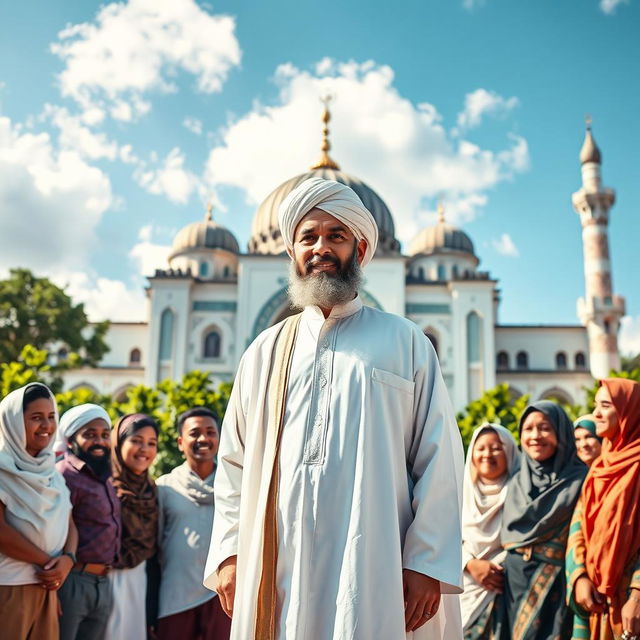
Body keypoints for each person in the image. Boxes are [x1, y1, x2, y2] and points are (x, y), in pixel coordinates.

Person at [204, 177, 465, 640]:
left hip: (376, 560)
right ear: (292, 253)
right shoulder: (264, 351)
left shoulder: (404, 341)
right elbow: (233, 462)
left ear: (360, 250)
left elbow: (439, 455)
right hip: (279, 559)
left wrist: (426, 561)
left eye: (335, 236)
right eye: (308, 237)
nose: (320, 247)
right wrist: (228, 553)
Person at [499, 401, 587, 640]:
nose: (535, 436)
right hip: (511, 587)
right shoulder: (514, 482)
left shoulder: (583, 479)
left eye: (545, 428)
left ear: (562, 432)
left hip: (558, 589)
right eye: (528, 429)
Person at [0, 383, 77, 640]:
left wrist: (68, 559)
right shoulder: (2, 470)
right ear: (13, 423)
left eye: (51, 417)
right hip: (10, 588)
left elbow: (70, 523)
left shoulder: (51, 473)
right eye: (36, 418)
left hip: (48, 586)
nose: (46, 425)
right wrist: (49, 564)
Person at [566, 379, 640, 640]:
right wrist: (579, 577)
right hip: (597, 601)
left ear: (628, 411)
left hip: (631, 601)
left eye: (605, 405)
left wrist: (638, 593)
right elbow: (578, 527)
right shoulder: (598, 469)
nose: (596, 413)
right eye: (595, 405)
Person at [155, 407, 231, 640]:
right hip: (175, 598)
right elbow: (156, 544)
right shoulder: (165, 487)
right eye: (195, 433)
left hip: (221, 597)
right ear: (180, 442)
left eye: (210, 432)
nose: (203, 439)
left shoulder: (233, 488)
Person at [55, 403, 121, 640]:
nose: (100, 441)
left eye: (105, 435)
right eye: (90, 435)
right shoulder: (64, 475)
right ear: (71, 440)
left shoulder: (105, 476)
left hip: (103, 583)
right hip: (72, 581)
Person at [461, 424, 518, 638]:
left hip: (506, 590)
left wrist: (496, 566)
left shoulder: (521, 493)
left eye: (496, 448)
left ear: (510, 452)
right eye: (481, 448)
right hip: (465, 592)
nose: (487, 454)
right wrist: (470, 564)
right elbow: (445, 537)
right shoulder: (458, 493)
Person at [106, 413, 159, 640]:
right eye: (136, 441)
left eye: (151, 443)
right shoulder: (104, 486)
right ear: (118, 444)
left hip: (139, 581)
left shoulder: (153, 489)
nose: (144, 449)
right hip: (105, 579)